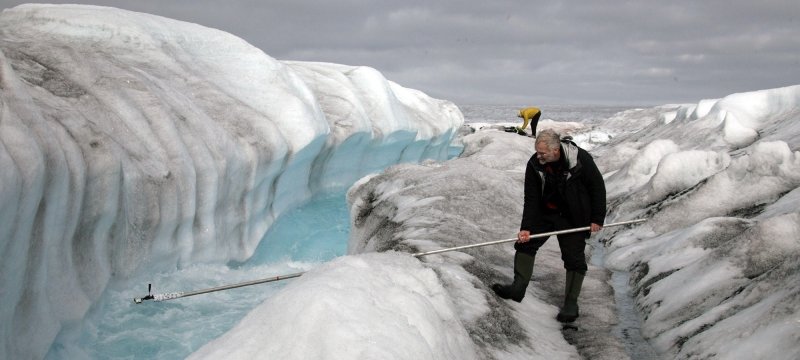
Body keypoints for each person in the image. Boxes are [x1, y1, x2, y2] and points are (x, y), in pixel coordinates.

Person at [492, 129, 606, 323]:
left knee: (573, 257)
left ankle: (571, 303)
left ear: (556, 150)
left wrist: (597, 219)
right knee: (526, 244)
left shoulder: (580, 159)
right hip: (546, 212)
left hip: (574, 216)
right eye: (537, 151)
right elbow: (532, 197)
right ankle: (517, 289)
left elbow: (597, 187)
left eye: (543, 153)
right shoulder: (535, 164)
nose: (539, 155)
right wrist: (526, 227)